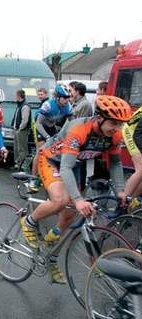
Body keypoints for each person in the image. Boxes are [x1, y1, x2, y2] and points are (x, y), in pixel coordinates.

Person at [20, 95, 132, 284]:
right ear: (99, 117)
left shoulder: (115, 135)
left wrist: (121, 190)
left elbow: (115, 163)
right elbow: (64, 168)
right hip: (52, 160)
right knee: (61, 200)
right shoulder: (78, 128)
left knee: (70, 214)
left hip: (75, 165)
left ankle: (51, 254)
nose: (117, 128)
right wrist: (79, 199)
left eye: (120, 124)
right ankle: (29, 222)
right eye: (114, 123)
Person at [29, 84, 73, 191]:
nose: (67, 100)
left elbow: (72, 123)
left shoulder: (68, 107)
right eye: (64, 98)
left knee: (55, 151)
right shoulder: (48, 105)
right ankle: (33, 179)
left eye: (68, 98)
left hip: (51, 126)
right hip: (39, 126)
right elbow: (38, 123)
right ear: (57, 97)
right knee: (41, 150)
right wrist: (47, 137)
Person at [11, 89, 31, 168]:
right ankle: (17, 163)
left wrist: (20, 128)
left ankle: (22, 165)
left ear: (19, 96)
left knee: (22, 148)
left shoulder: (25, 106)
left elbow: (25, 120)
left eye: (16, 95)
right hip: (17, 129)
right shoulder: (20, 105)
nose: (15, 97)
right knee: (16, 147)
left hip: (22, 131)